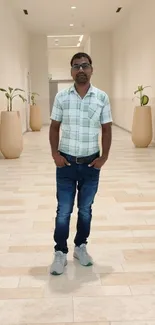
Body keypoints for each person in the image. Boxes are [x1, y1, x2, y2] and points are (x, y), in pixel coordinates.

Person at [49, 52, 112, 275]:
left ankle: (80, 247)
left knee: (85, 210)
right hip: (65, 164)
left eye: (85, 65)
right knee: (63, 210)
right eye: (76, 66)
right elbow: (54, 126)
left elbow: (106, 129)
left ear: (92, 69)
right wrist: (55, 155)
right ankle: (60, 252)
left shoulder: (102, 97)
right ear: (71, 71)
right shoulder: (62, 97)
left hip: (90, 165)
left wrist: (103, 158)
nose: (81, 69)